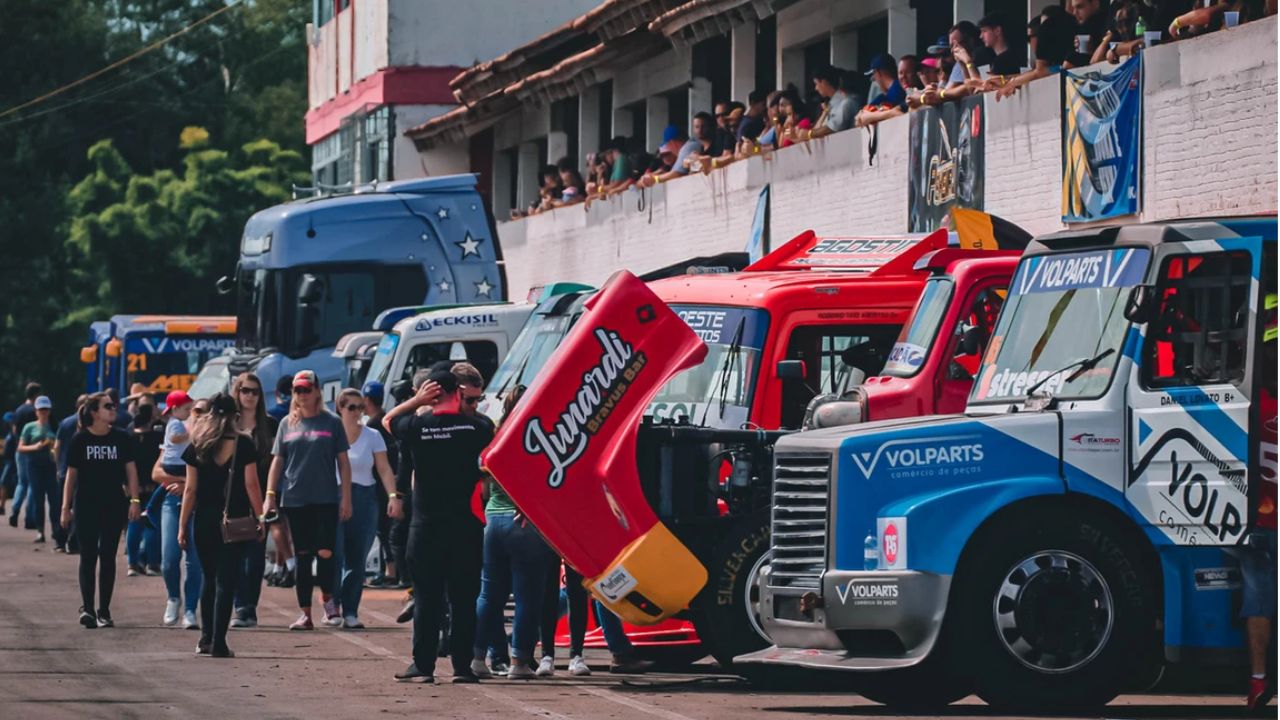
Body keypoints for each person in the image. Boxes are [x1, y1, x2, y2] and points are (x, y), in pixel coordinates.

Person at [388, 363, 492, 684]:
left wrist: (416, 402)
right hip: (465, 527)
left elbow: (388, 420)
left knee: (428, 599)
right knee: (463, 600)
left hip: (426, 528)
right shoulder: (476, 427)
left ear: (431, 394)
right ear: (458, 394)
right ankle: (462, 667)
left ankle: (423, 666)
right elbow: (490, 427)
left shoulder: (418, 426)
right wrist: (464, 410)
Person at [473, 386, 554, 679]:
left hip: (493, 520)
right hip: (525, 523)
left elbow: (484, 475)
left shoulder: (496, 434)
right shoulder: (538, 434)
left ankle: (477, 658)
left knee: (488, 595)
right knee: (527, 597)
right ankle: (519, 663)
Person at [263, 369, 352, 631]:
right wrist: (270, 496)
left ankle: (328, 602)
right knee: (302, 556)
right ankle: (305, 614)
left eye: (306, 389)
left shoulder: (331, 422)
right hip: (295, 498)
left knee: (325, 552)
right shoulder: (286, 424)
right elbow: (277, 462)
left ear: (316, 391)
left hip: (325, 498)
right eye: (297, 390)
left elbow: (343, 463)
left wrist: (346, 497)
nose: (301, 394)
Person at [178, 392, 265, 658]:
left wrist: (182, 525)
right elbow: (251, 484)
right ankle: (219, 641)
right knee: (227, 580)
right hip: (234, 520)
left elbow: (190, 490)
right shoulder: (243, 444)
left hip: (204, 519)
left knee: (209, 577)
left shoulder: (198, 445)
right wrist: (261, 516)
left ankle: (205, 638)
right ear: (234, 416)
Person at [61, 392, 142, 628]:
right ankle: (87, 609)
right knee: (88, 557)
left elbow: (131, 471)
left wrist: (135, 501)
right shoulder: (80, 440)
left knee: (108, 556)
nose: (113, 409)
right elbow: (71, 475)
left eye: (113, 405)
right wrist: (65, 507)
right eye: (108, 406)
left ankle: (104, 610)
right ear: (94, 412)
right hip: (85, 505)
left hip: (113, 505)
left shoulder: (121, 438)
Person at [332, 388, 401, 628]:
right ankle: (332, 604)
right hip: (335, 497)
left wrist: (393, 495)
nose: (357, 412)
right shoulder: (331, 434)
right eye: (351, 407)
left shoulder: (372, 435)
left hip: (365, 498)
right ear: (339, 408)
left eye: (361, 407)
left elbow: (383, 468)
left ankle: (350, 610)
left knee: (357, 557)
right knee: (334, 554)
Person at [230, 372, 280, 628]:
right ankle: (241, 606)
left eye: (255, 391)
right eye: (245, 390)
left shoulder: (270, 425)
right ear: (237, 392)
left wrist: (271, 497)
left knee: (256, 555)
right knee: (236, 553)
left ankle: (250, 606)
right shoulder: (228, 424)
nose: (250, 396)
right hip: (233, 496)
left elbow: (276, 462)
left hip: (262, 494)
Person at [154, 396, 205, 630]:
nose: (198, 415)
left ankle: (191, 610)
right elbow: (157, 473)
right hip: (172, 500)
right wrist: (185, 481)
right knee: (169, 559)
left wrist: (189, 486)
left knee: (194, 562)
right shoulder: (177, 434)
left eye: (203, 411)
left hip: (199, 504)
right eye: (194, 411)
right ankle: (173, 597)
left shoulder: (210, 442)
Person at [363, 380, 403, 588]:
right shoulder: (388, 420)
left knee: (384, 528)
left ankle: (391, 571)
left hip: (380, 482)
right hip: (392, 479)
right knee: (389, 528)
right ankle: (392, 570)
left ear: (367, 400)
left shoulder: (371, 426)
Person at [124, 396, 161, 574]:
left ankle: (132, 563)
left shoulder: (128, 437)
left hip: (133, 487)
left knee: (134, 523)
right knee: (151, 523)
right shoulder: (157, 437)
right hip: (153, 487)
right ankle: (152, 563)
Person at [18, 395, 61, 545]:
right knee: (38, 499)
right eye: (41, 410)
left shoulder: (55, 426)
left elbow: (60, 446)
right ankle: (40, 530)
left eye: (46, 410)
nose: (43, 412)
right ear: (36, 411)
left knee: (54, 499)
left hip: (50, 465)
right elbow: (21, 447)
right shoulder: (29, 427)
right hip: (34, 464)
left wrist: (52, 446)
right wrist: (35, 446)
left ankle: (56, 529)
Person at [9, 382, 41, 531]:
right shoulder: (35, 411)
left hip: (19, 450)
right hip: (33, 451)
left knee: (22, 482)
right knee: (33, 484)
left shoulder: (19, 410)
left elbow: (15, 429)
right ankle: (30, 518)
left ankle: (15, 510)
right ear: (36, 394)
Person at [805, 64, 857, 140]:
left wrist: (808, 134)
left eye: (816, 84)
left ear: (824, 82)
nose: (816, 88)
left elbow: (832, 128)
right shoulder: (830, 105)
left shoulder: (846, 102)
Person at [160, 391, 194, 479]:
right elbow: (174, 438)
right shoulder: (175, 423)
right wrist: (190, 435)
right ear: (175, 409)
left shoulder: (175, 422)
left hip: (172, 462)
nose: (189, 412)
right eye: (187, 409)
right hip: (176, 462)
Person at [0, 413, 15, 518]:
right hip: (7, 461)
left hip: (11, 461)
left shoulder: (14, 433)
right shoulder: (9, 433)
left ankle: (2, 505)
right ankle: (2, 506)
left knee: (4, 482)